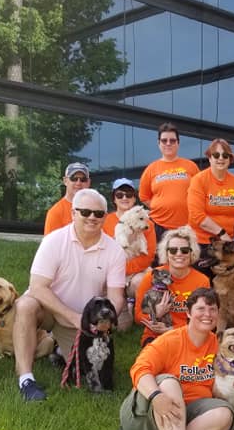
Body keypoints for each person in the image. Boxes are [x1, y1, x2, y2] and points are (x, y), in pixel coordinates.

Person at [120, 288, 234, 430]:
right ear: (188, 313)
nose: (207, 314)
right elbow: (139, 369)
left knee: (225, 413)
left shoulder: (218, 345)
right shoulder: (171, 340)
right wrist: (156, 396)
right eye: (201, 308)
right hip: (145, 415)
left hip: (188, 414)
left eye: (212, 309)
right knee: (169, 382)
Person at [14, 188, 127, 401]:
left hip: (82, 322)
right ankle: (26, 379)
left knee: (84, 371)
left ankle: (57, 349)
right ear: (73, 213)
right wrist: (73, 317)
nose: (92, 217)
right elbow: (37, 287)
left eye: (98, 213)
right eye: (85, 212)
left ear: (105, 217)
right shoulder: (54, 241)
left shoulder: (115, 250)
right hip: (49, 310)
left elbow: (117, 297)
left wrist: (105, 322)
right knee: (25, 305)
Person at [133, 226, 208, 346]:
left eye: (184, 250)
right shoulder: (152, 276)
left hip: (187, 335)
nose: (179, 254)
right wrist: (155, 314)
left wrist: (171, 330)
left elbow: (203, 319)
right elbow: (138, 317)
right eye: (173, 250)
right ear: (166, 253)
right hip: (154, 335)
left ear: (191, 252)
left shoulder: (201, 281)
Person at [102, 178, 156, 328]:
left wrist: (125, 270)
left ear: (134, 197)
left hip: (135, 272)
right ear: (113, 198)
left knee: (143, 281)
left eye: (129, 194)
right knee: (121, 328)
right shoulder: (105, 221)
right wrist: (116, 272)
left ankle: (142, 313)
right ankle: (124, 307)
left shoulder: (147, 223)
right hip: (111, 274)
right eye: (120, 195)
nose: (124, 198)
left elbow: (148, 256)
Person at [139, 122, 200, 242]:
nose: (168, 143)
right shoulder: (151, 169)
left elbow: (201, 193)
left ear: (178, 143)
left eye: (172, 140)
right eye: (164, 140)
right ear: (158, 143)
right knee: (160, 260)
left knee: (185, 259)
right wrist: (161, 206)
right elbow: (144, 197)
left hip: (187, 226)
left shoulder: (191, 166)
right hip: (159, 225)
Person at [187, 138, 234, 250]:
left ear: (230, 159)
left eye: (225, 155)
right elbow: (197, 216)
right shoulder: (198, 180)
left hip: (228, 244)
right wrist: (222, 234)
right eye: (216, 155)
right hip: (202, 243)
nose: (221, 158)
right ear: (209, 158)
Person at [44, 162, 91, 235]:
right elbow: (50, 244)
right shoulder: (55, 212)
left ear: (88, 182)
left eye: (83, 179)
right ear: (65, 181)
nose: (78, 183)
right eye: (74, 179)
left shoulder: (96, 210)